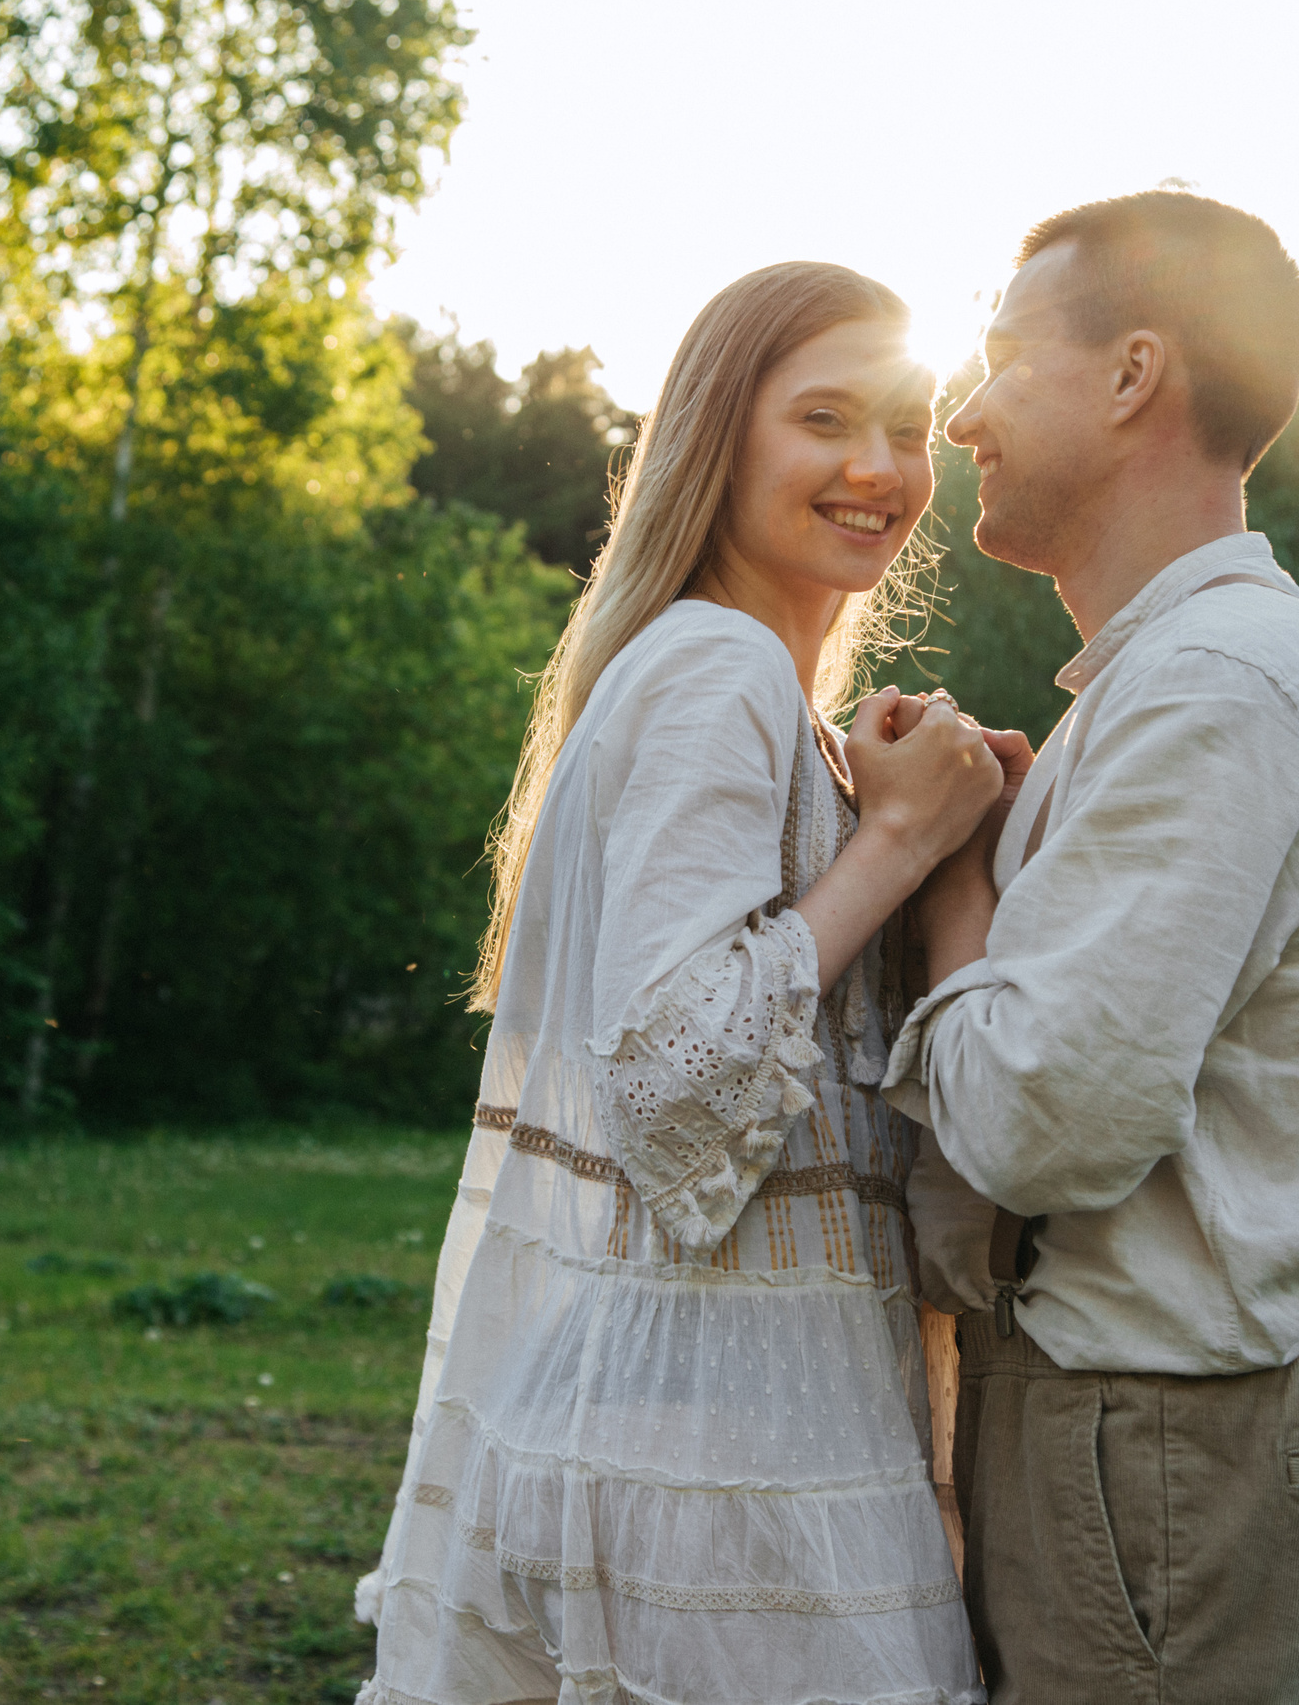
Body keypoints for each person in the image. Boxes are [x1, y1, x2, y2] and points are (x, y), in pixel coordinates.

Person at [354, 262, 997, 1705]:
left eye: (907, 429)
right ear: (718, 434)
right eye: (824, 419)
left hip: (701, 1415)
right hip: (707, 1443)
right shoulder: (719, 667)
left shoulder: (750, 683)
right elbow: (672, 1073)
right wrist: (900, 842)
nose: (880, 467)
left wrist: (935, 838)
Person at [885, 191, 1299, 1702]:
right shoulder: (1172, 683)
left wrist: (948, 885)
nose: (962, 414)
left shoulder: (1218, 686)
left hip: (1169, 1454)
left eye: (1005, 358)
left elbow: (1043, 1125)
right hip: (1153, 1439)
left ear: (1136, 375)